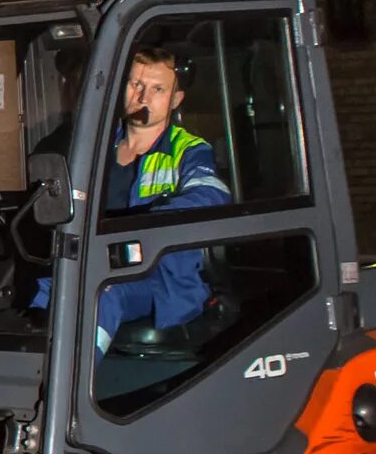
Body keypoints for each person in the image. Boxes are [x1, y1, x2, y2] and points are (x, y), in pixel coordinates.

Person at [32, 42, 231, 350]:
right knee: (38, 293)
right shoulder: (93, 149)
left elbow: (212, 194)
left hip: (157, 275)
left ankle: (70, 391)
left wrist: (150, 219)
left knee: (104, 294)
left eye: (157, 89)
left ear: (176, 99)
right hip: (90, 263)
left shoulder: (189, 149)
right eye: (136, 84)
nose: (143, 97)